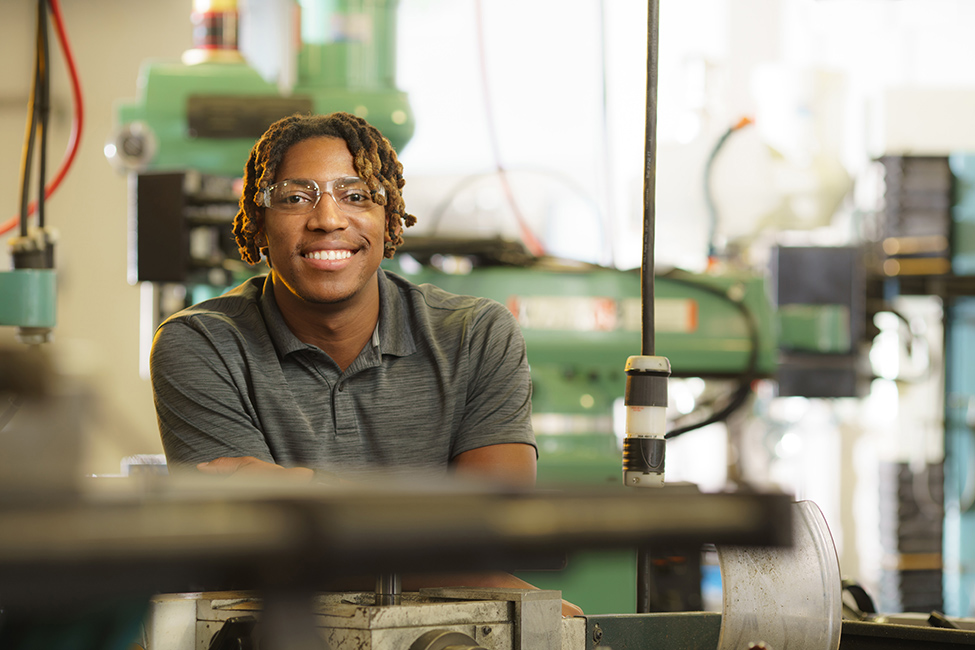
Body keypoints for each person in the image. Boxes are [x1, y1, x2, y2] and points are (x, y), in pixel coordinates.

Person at [150, 111, 582, 616]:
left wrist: (301, 491)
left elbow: (493, 536)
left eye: (356, 196)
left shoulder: (475, 335)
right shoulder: (201, 344)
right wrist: (436, 542)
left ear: (389, 217)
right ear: (259, 220)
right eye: (295, 197)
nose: (329, 219)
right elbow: (249, 550)